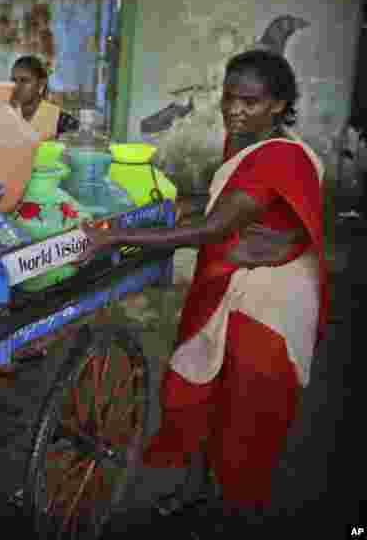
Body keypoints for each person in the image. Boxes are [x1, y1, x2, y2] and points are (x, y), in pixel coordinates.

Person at [77, 49, 328, 533]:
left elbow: (214, 227)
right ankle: (198, 494)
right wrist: (163, 209)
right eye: (229, 98)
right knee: (206, 394)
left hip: (268, 303)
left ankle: (229, 512)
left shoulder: (279, 157)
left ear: (278, 105)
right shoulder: (252, 141)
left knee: (246, 413)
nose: (235, 109)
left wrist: (116, 236)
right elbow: (218, 201)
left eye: (250, 102)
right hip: (236, 286)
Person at [10, 55, 79, 139]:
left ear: (41, 83)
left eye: (25, 80)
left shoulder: (63, 122)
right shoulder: (6, 117)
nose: (17, 86)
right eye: (13, 80)